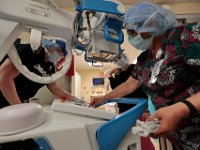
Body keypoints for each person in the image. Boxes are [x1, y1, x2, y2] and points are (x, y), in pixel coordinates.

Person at [90, 2, 200, 150]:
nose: (131, 38)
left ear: (152, 24)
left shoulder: (185, 36)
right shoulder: (145, 59)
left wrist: (181, 110)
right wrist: (104, 98)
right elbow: (129, 85)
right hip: (182, 140)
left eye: (133, 32)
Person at [0, 38, 74, 108]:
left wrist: (74, 99)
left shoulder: (50, 67)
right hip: (4, 97)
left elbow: (54, 88)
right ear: (51, 45)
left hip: (17, 102)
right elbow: (3, 77)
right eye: (59, 50)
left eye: (62, 54)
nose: (60, 55)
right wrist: (18, 107)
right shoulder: (32, 51)